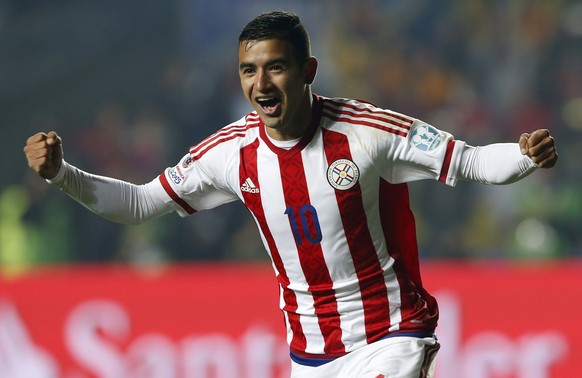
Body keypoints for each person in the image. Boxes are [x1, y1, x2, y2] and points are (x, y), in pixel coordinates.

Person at [23, 11, 557, 378]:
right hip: (311, 354)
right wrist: (63, 175)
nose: (261, 84)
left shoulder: (366, 131)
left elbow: (467, 160)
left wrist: (523, 155)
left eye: (275, 67)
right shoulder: (230, 153)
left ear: (308, 71)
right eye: (248, 70)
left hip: (393, 334)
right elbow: (139, 204)